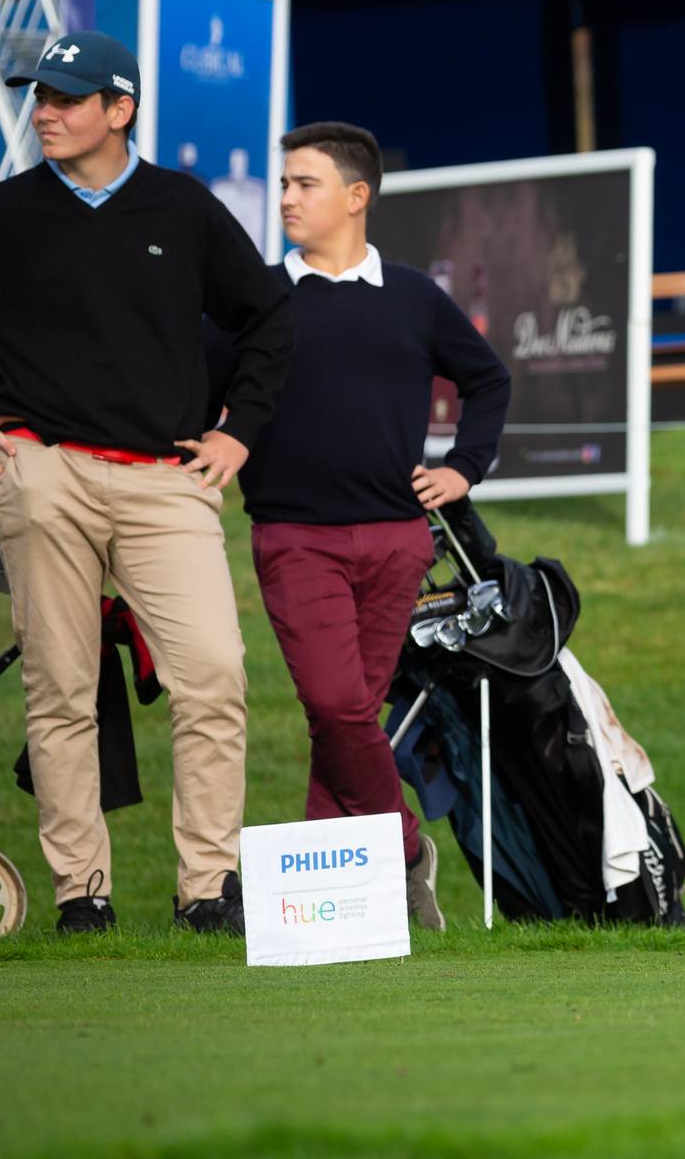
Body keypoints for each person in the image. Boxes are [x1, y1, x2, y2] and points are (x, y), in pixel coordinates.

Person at [0, 30, 293, 934]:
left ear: (120, 109)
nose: (45, 112)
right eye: (40, 97)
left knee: (213, 675)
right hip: (40, 472)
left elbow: (269, 317)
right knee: (61, 689)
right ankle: (81, 896)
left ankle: (207, 890)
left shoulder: (182, 208)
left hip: (166, 482)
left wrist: (239, 434)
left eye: (66, 97)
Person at [225, 120, 512, 934]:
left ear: (357, 196)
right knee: (338, 705)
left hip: (397, 542)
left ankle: (327, 915)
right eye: (282, 183)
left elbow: (489, 381)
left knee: (339, 718)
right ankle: (408, 846)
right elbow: (194, 384)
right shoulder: (258, 298)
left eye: (302, 183)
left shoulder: (416, 297)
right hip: (294, 538)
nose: (285, 197)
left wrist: (464, 468)